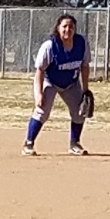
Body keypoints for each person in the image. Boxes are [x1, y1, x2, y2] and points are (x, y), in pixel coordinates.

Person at [21, 14, 91, 156]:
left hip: (71, 83)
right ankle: (28, 144)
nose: (68, 29)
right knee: (42, 111)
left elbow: (84, 66)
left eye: (71, 27)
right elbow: (40, 71)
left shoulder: (81, 43)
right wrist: (39, 94)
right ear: (58, 28)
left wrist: (85, 89)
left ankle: (74, 143)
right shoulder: (50, 46)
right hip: (50, 81)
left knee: (79, 111)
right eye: (64, 26)